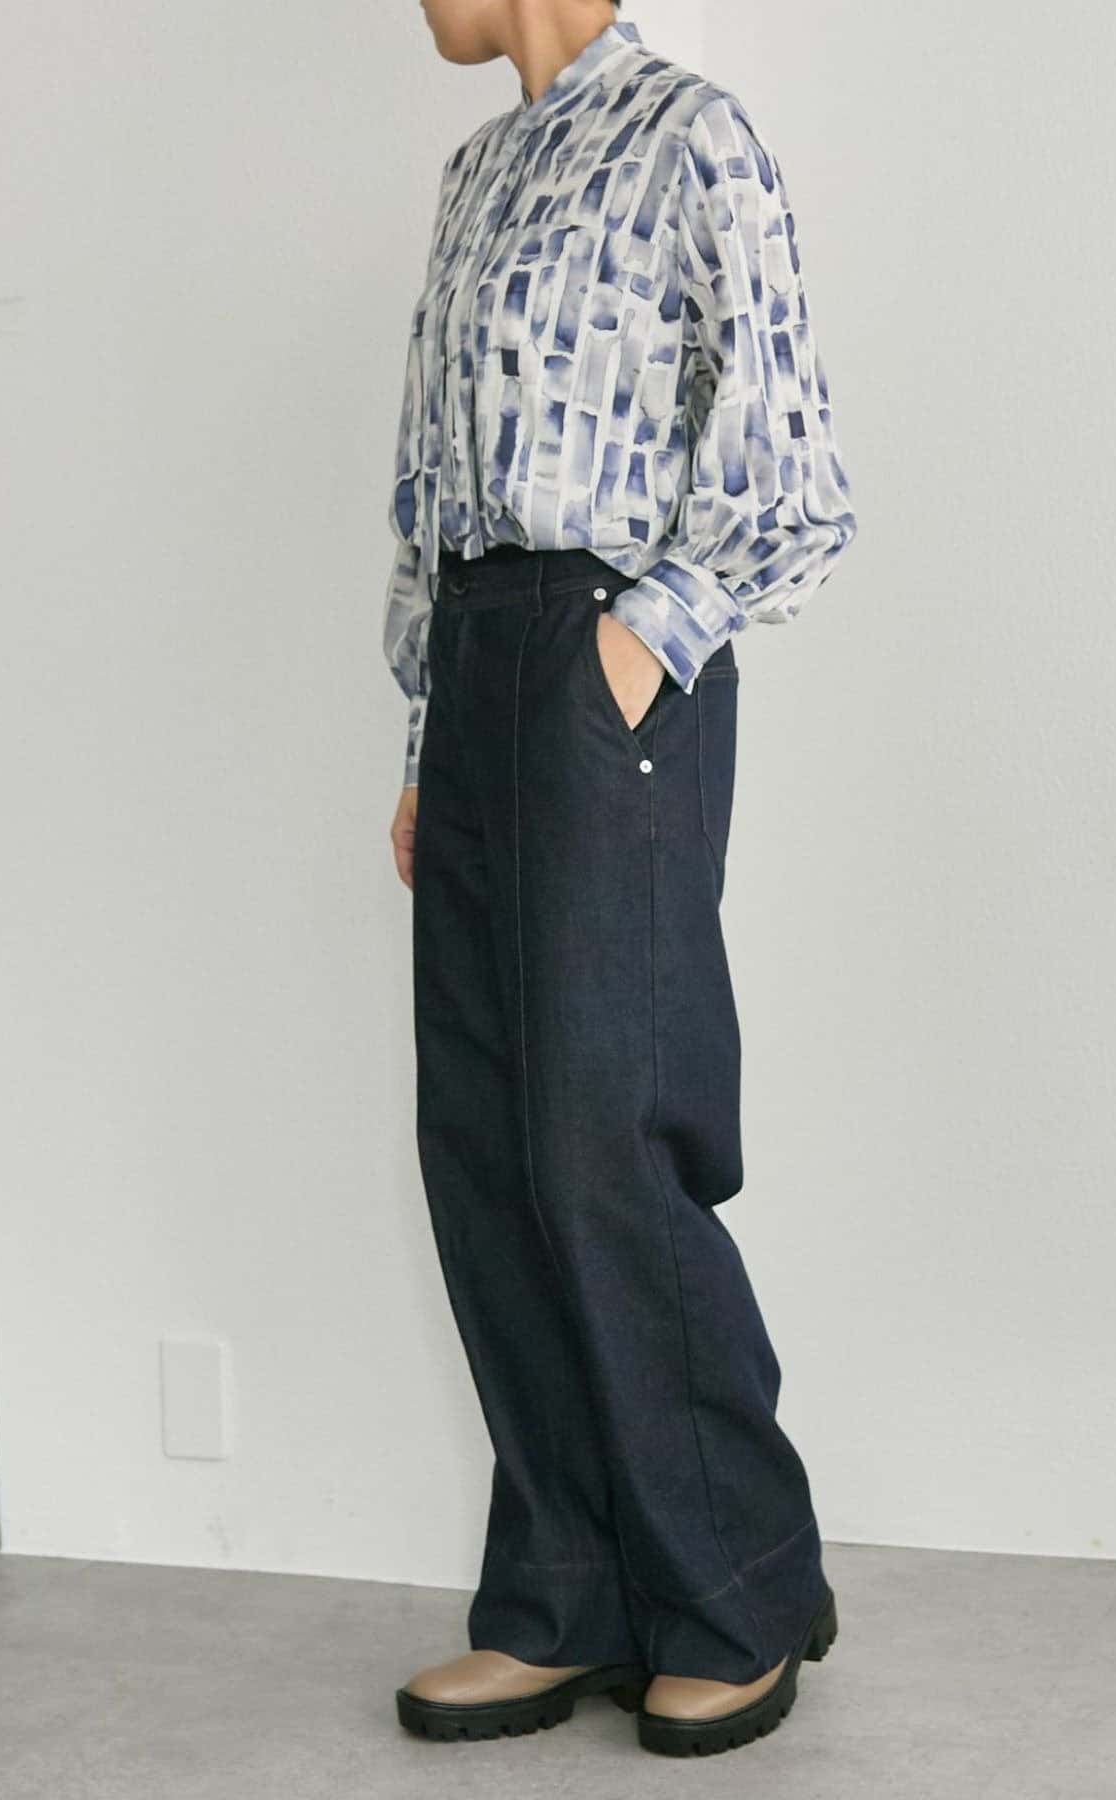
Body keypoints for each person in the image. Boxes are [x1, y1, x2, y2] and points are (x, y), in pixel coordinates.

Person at [381, 0, 856, 1759]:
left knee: (605, 1134)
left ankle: (740, 1583)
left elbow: (793, 464)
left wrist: (635, 649)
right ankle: (563, 1593)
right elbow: (431, 484)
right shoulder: (477, 171)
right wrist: (428, 733)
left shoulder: (688, 134)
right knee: (485, 1144)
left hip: (605, 655)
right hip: (479, 664)